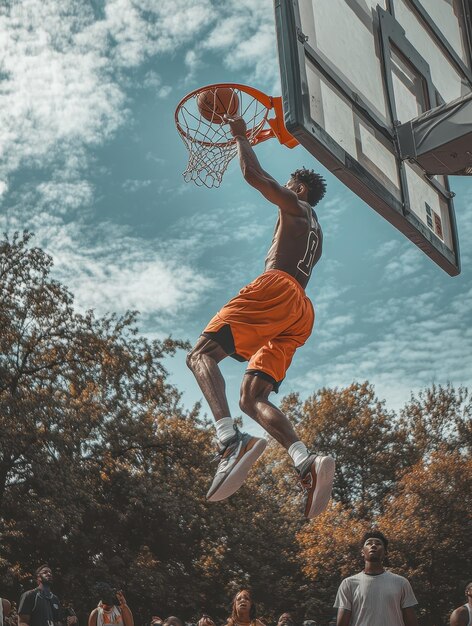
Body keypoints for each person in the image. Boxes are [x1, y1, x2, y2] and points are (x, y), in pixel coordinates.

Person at [187, 113, 335, 518]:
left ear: (300, 187)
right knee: (253, 398)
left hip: (278, 288)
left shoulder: (298, 204)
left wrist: (239, 135)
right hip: (301, 309)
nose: (285, 188)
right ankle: (305, 461)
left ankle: (229, 441)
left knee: (200, 355)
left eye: (290, 184)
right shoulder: (318, 231)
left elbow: (256, 175)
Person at [334, 531, 418, 626]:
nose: (373, 545)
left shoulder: (401, 582)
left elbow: (411, 622)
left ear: (385, 552)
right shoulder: (348, 584)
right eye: (369, 543)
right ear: (362, 552)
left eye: (378, 544)